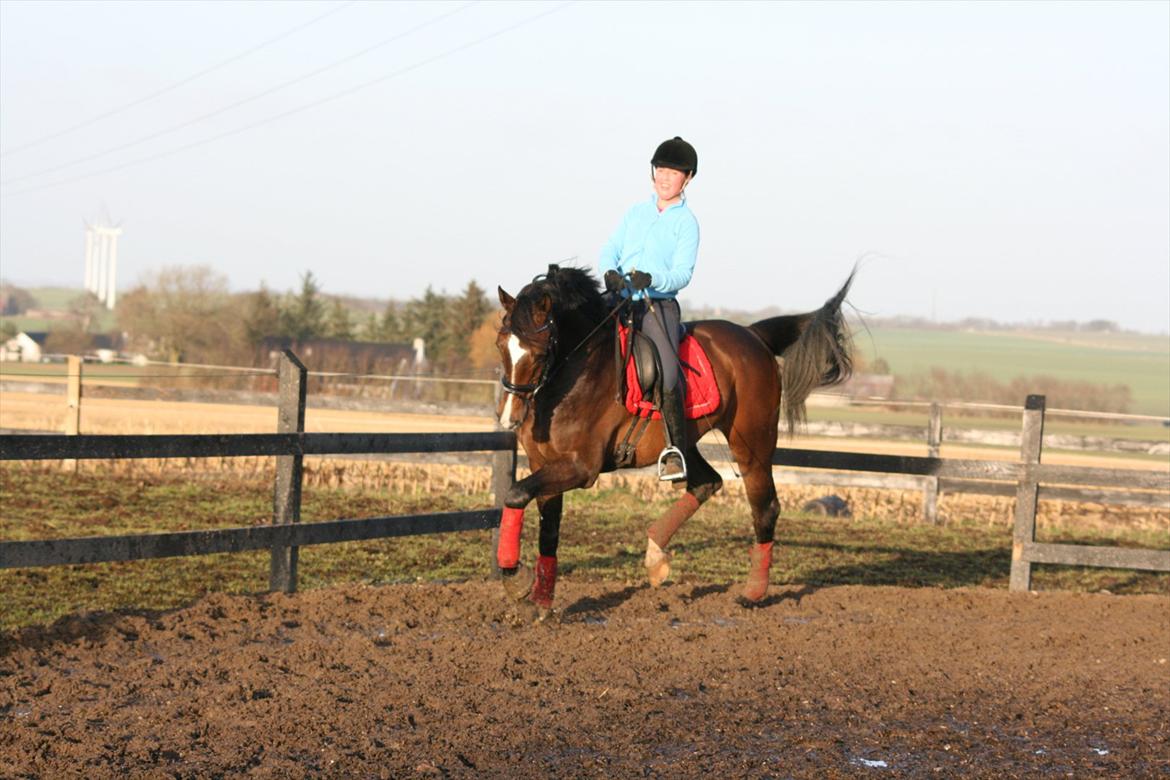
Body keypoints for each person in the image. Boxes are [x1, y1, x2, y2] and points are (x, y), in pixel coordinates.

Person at [599, 136, 699, 481]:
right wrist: (609, 271)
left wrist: (653, 277)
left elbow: (683, 273)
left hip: (657, 305)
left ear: (687, 178)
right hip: (619, 298)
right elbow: (610, 247)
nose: (665, 177)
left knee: (669, 372)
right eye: (661, 170)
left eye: (673, 172)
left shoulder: (686, 223)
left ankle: (675, 451)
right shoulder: (635, 212)